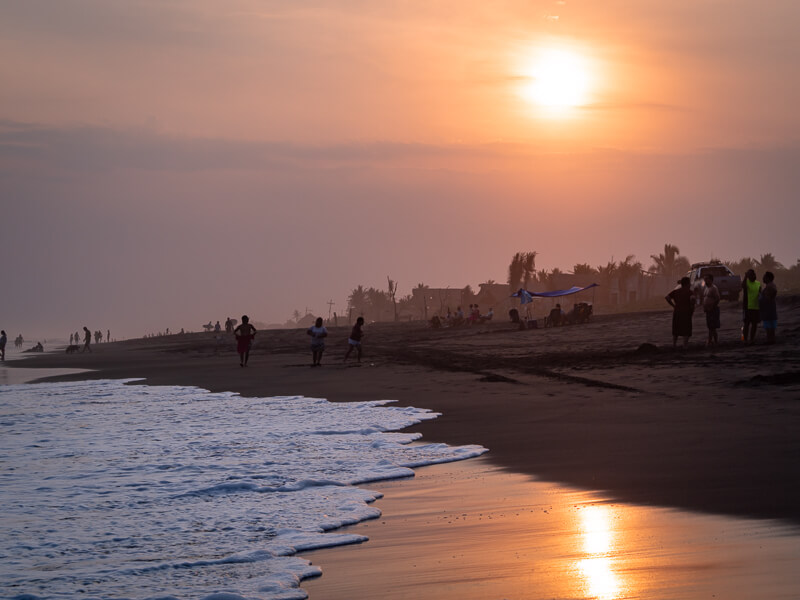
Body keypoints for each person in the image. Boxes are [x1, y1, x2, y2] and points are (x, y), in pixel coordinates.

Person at [666, 277, 695, 348]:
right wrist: (692, 309)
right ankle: (685, 345)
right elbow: (692, 300)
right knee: (686, 329)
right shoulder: (690, 292)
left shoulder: (676, 291)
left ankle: (674, 344)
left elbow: (667, 297)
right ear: (687, 284)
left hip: (677, 312)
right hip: (686, 313)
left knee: (676, 329)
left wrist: (673, 306)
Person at [741, 269, 761, 344]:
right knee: (746, 324)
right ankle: (745, 339)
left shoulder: (758, 283)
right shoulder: (746, 282)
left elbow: (760, 294)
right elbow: (742, 286)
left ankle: (752, 339)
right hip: (747, 307)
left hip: (756, 307)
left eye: (752, 274)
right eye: (749, 275)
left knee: (754, 324)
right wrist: (745, 276)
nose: (752, 276)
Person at [702, 274, 721, 347]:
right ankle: (711, 341)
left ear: (711, 280)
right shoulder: (706, 288)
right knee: (710, 327)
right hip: (708, 310)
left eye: (707, 279)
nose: (705, 281)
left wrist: (712, 307)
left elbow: (717, 298)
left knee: (712, 327)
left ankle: (713, 341)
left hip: (713, 310)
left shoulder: (713, 288)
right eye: (705, 279)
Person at [760, 271, 778, 344]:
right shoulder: (772, 285)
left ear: (768, 278)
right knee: (771, 324)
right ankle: (771, 339)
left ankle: (770, 340)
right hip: (770, 308)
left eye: (764, 276)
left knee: (768, 325)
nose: (763, 278)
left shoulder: (769, 286)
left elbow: (768, 297)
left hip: (768, 309)